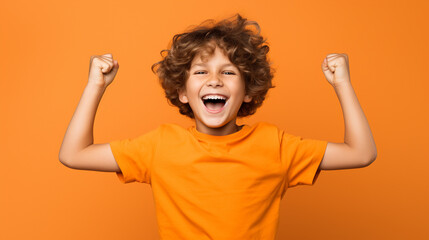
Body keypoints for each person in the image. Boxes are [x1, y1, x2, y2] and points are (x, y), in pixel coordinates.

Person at [59, 13, 377, 240]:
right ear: (182, 92)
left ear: (248, 89)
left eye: (228, 72)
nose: (214, 80)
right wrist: (94, 86)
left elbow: (361, 153)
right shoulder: (158, 146)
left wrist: (342, 84)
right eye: (201, 72)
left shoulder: (276, 145)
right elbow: (75, 154)